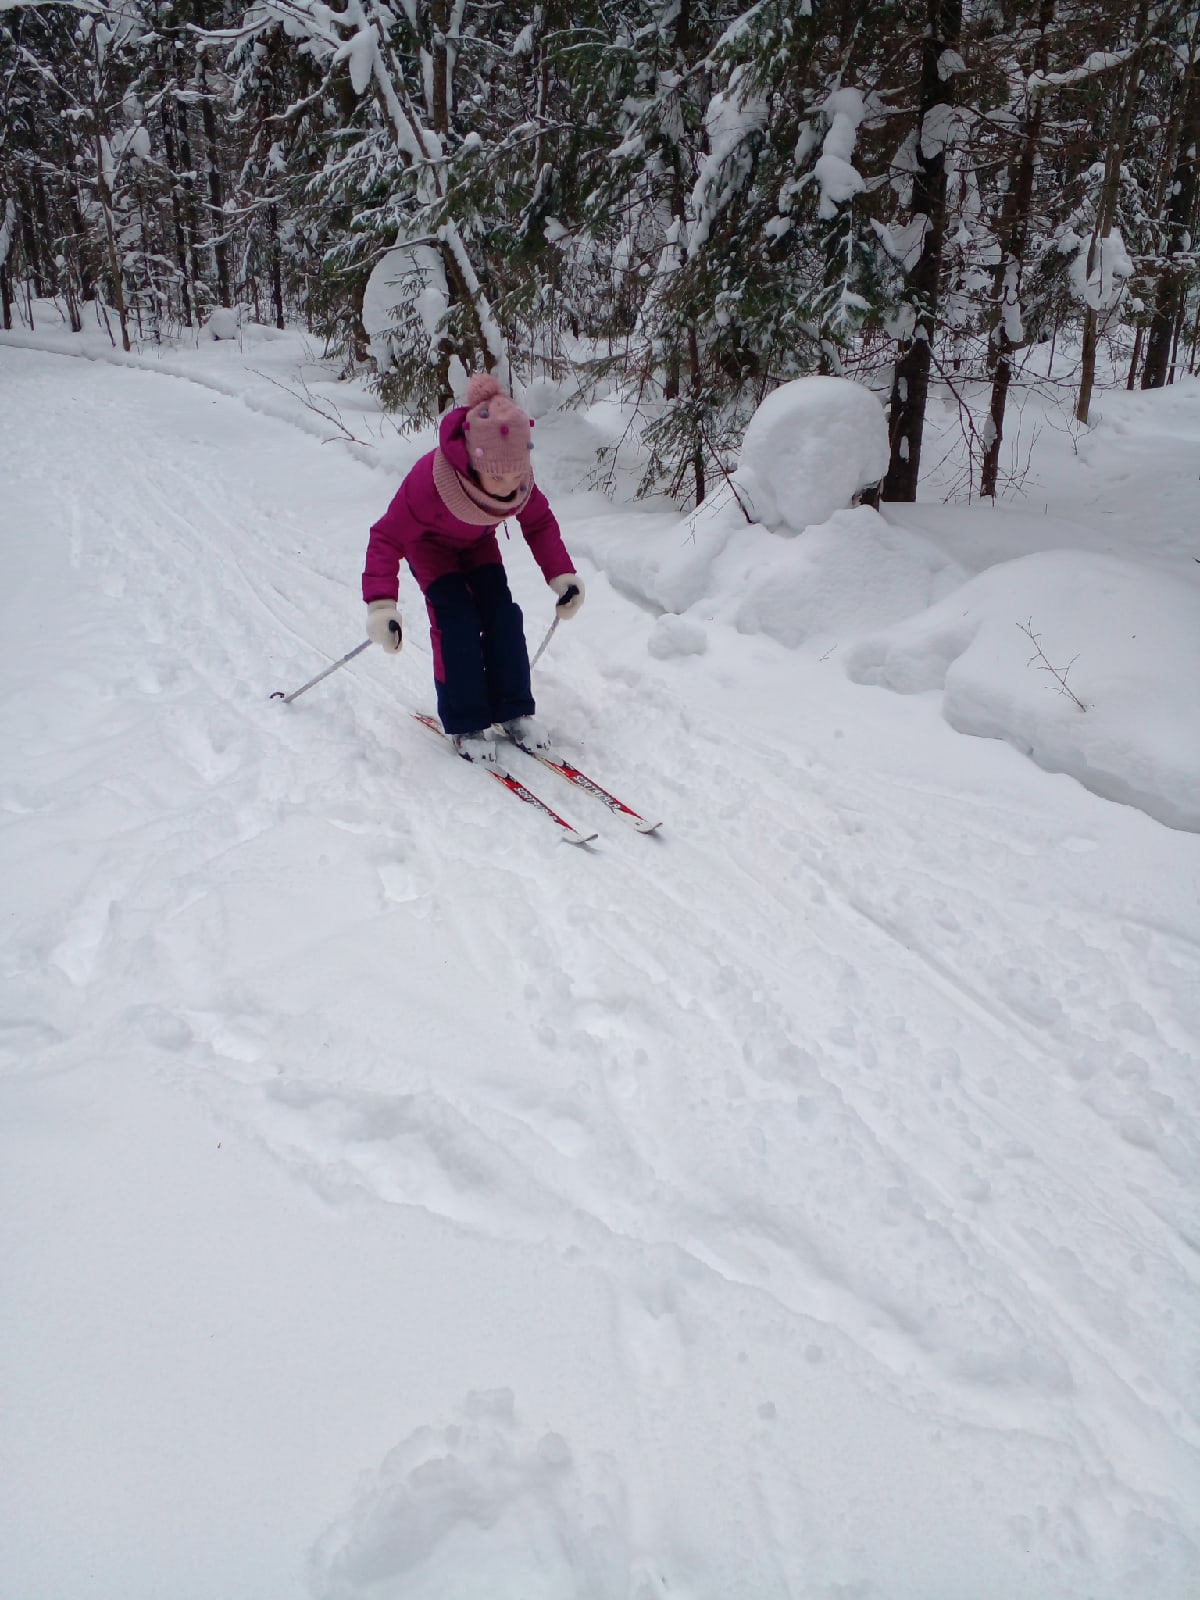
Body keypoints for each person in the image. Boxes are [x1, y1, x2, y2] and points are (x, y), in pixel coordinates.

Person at [361, 373, 584, 762]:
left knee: (503, 615)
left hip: (478, 546)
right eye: (499, 476)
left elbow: (539, 523)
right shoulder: (430, 483)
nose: (508, 485)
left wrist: (560, 575)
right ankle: (466, 721)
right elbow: (385, 538)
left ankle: (513, 708)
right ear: (474, 462)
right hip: (429, 550)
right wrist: (382, 606)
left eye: (516, 473)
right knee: (457, 623)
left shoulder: (517, 480)